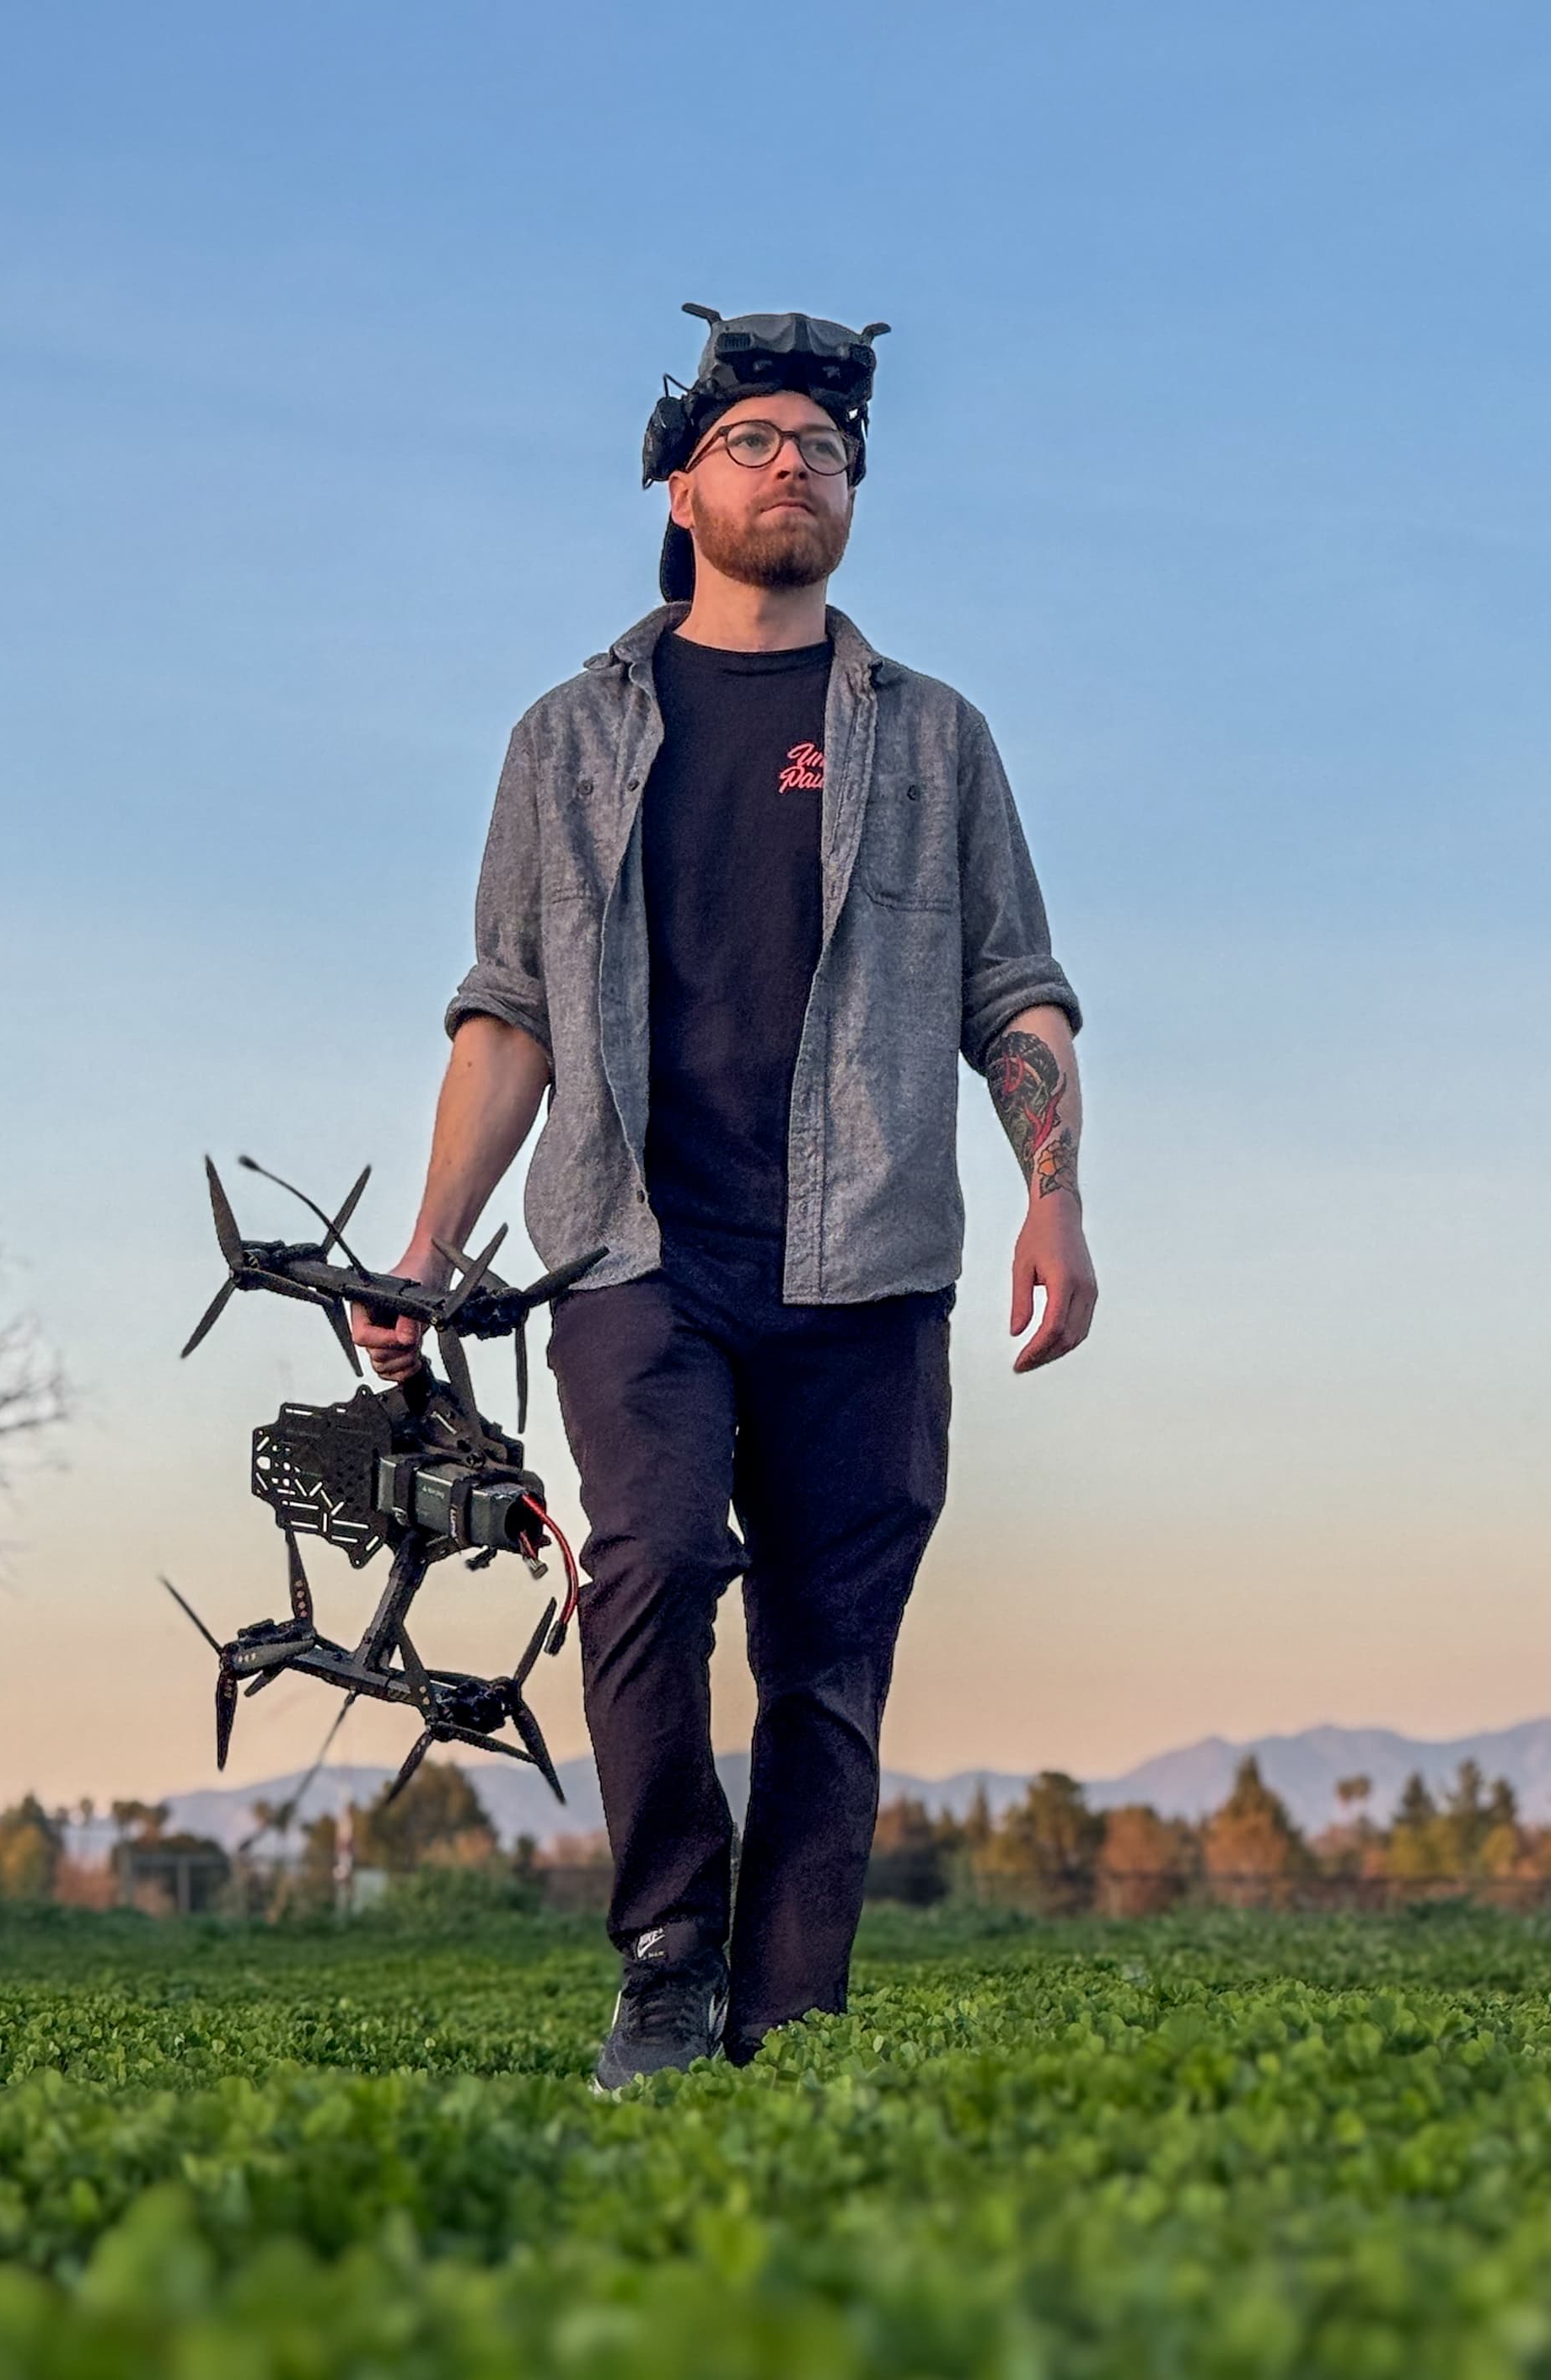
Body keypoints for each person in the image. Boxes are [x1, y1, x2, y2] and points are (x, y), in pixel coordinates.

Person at [351, 306, 1095, 2088]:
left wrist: (1054, 1193)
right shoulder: (565, 738)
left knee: (830, 1659)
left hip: (870, 1263)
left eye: (823, 448)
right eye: (753, 440)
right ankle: (669, 1944)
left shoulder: (935, 741)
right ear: (677, 487)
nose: (793, 465)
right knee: (655, 1555)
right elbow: (506, 1011)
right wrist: (427, 1249)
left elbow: (1016, 990)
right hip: (634, 1245)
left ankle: (787, 2025)